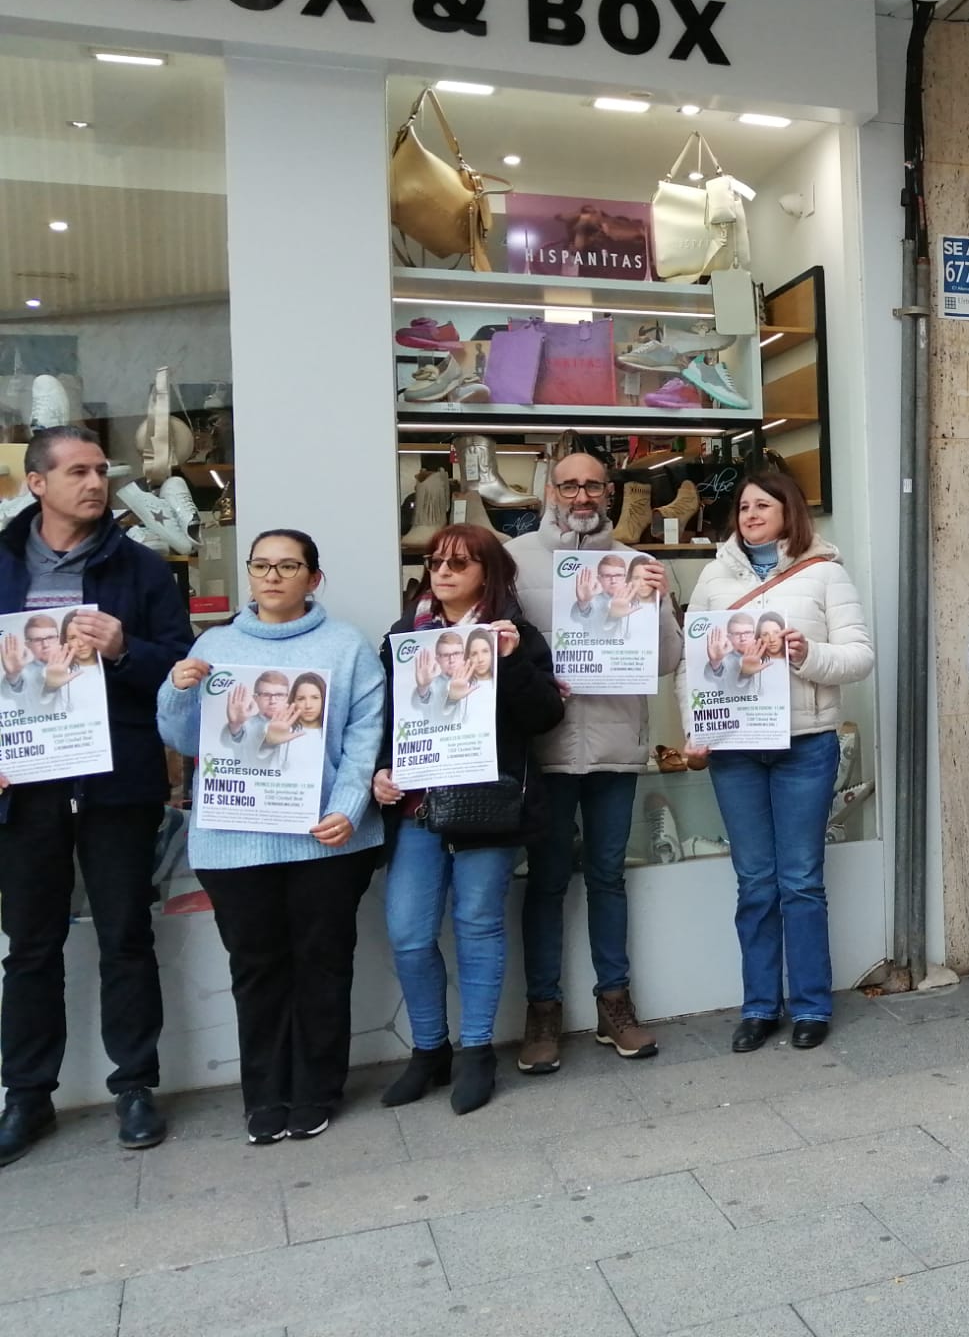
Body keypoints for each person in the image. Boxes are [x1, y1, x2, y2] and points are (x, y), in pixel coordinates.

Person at [0, 425, 192, 1167]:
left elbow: (181, 670)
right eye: (76, 472)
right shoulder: (4, 566)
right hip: (26, 790)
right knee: (30, 948)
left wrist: (123, 651)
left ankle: (135, 1086)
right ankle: (26, 1097)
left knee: (126, 938)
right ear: (36, 483)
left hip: (116, 785)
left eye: (98, 471)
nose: (94, 482)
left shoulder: (141, 570)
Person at [156, 530, 386, 1145]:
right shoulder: (215, 645)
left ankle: (315, 1090)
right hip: (234, 841)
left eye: (289, 565)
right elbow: (182, 739)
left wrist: (348, 807)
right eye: (261, 565)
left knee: (323, 965)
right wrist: (179, 688)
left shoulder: (345, 647)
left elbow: (366, 738)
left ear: (315, 578)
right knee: (256, 970)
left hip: (323, 839)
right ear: (249, 574)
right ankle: (264, 1094)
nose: (273, 576)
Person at [372, 524, 563, 1116]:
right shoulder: (404, 639)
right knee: (407, 931)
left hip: (489, 805)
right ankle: (430, 1050)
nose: (444, 571)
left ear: (488, 572)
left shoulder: (515, 636)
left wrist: (510, 662)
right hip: (419, 806)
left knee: (478, 923)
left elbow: (544, 717)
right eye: (436, 562)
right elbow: (386, 723)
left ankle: (477, 1050)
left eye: (459, 562)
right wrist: (380, 772)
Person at [507, 447, 684, 1074]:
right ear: (549, 492)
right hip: (547, 750)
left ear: (609, 494)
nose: (581, 497)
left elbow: (664, 661)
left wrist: (660, 602)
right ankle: (543, 1012)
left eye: (593, 487)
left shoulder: (638, 565)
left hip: (615, 748)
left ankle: (615, 1005)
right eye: (569, 486)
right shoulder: (515, 560)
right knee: (548, 881)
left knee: (608, 876)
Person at [685, 471, 873, 1053]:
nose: (750, 514)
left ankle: (812, 1006)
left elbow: (860, 656)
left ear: (789, 511)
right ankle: (760, 1006)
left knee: (801, 881)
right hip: (735, 750)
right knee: (755, 883)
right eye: (743, 506)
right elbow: (694, 662)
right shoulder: (714, 577)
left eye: (762, 505)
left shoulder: (826, 574)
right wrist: (695, 730)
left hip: (805, 745)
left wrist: (806, 652)